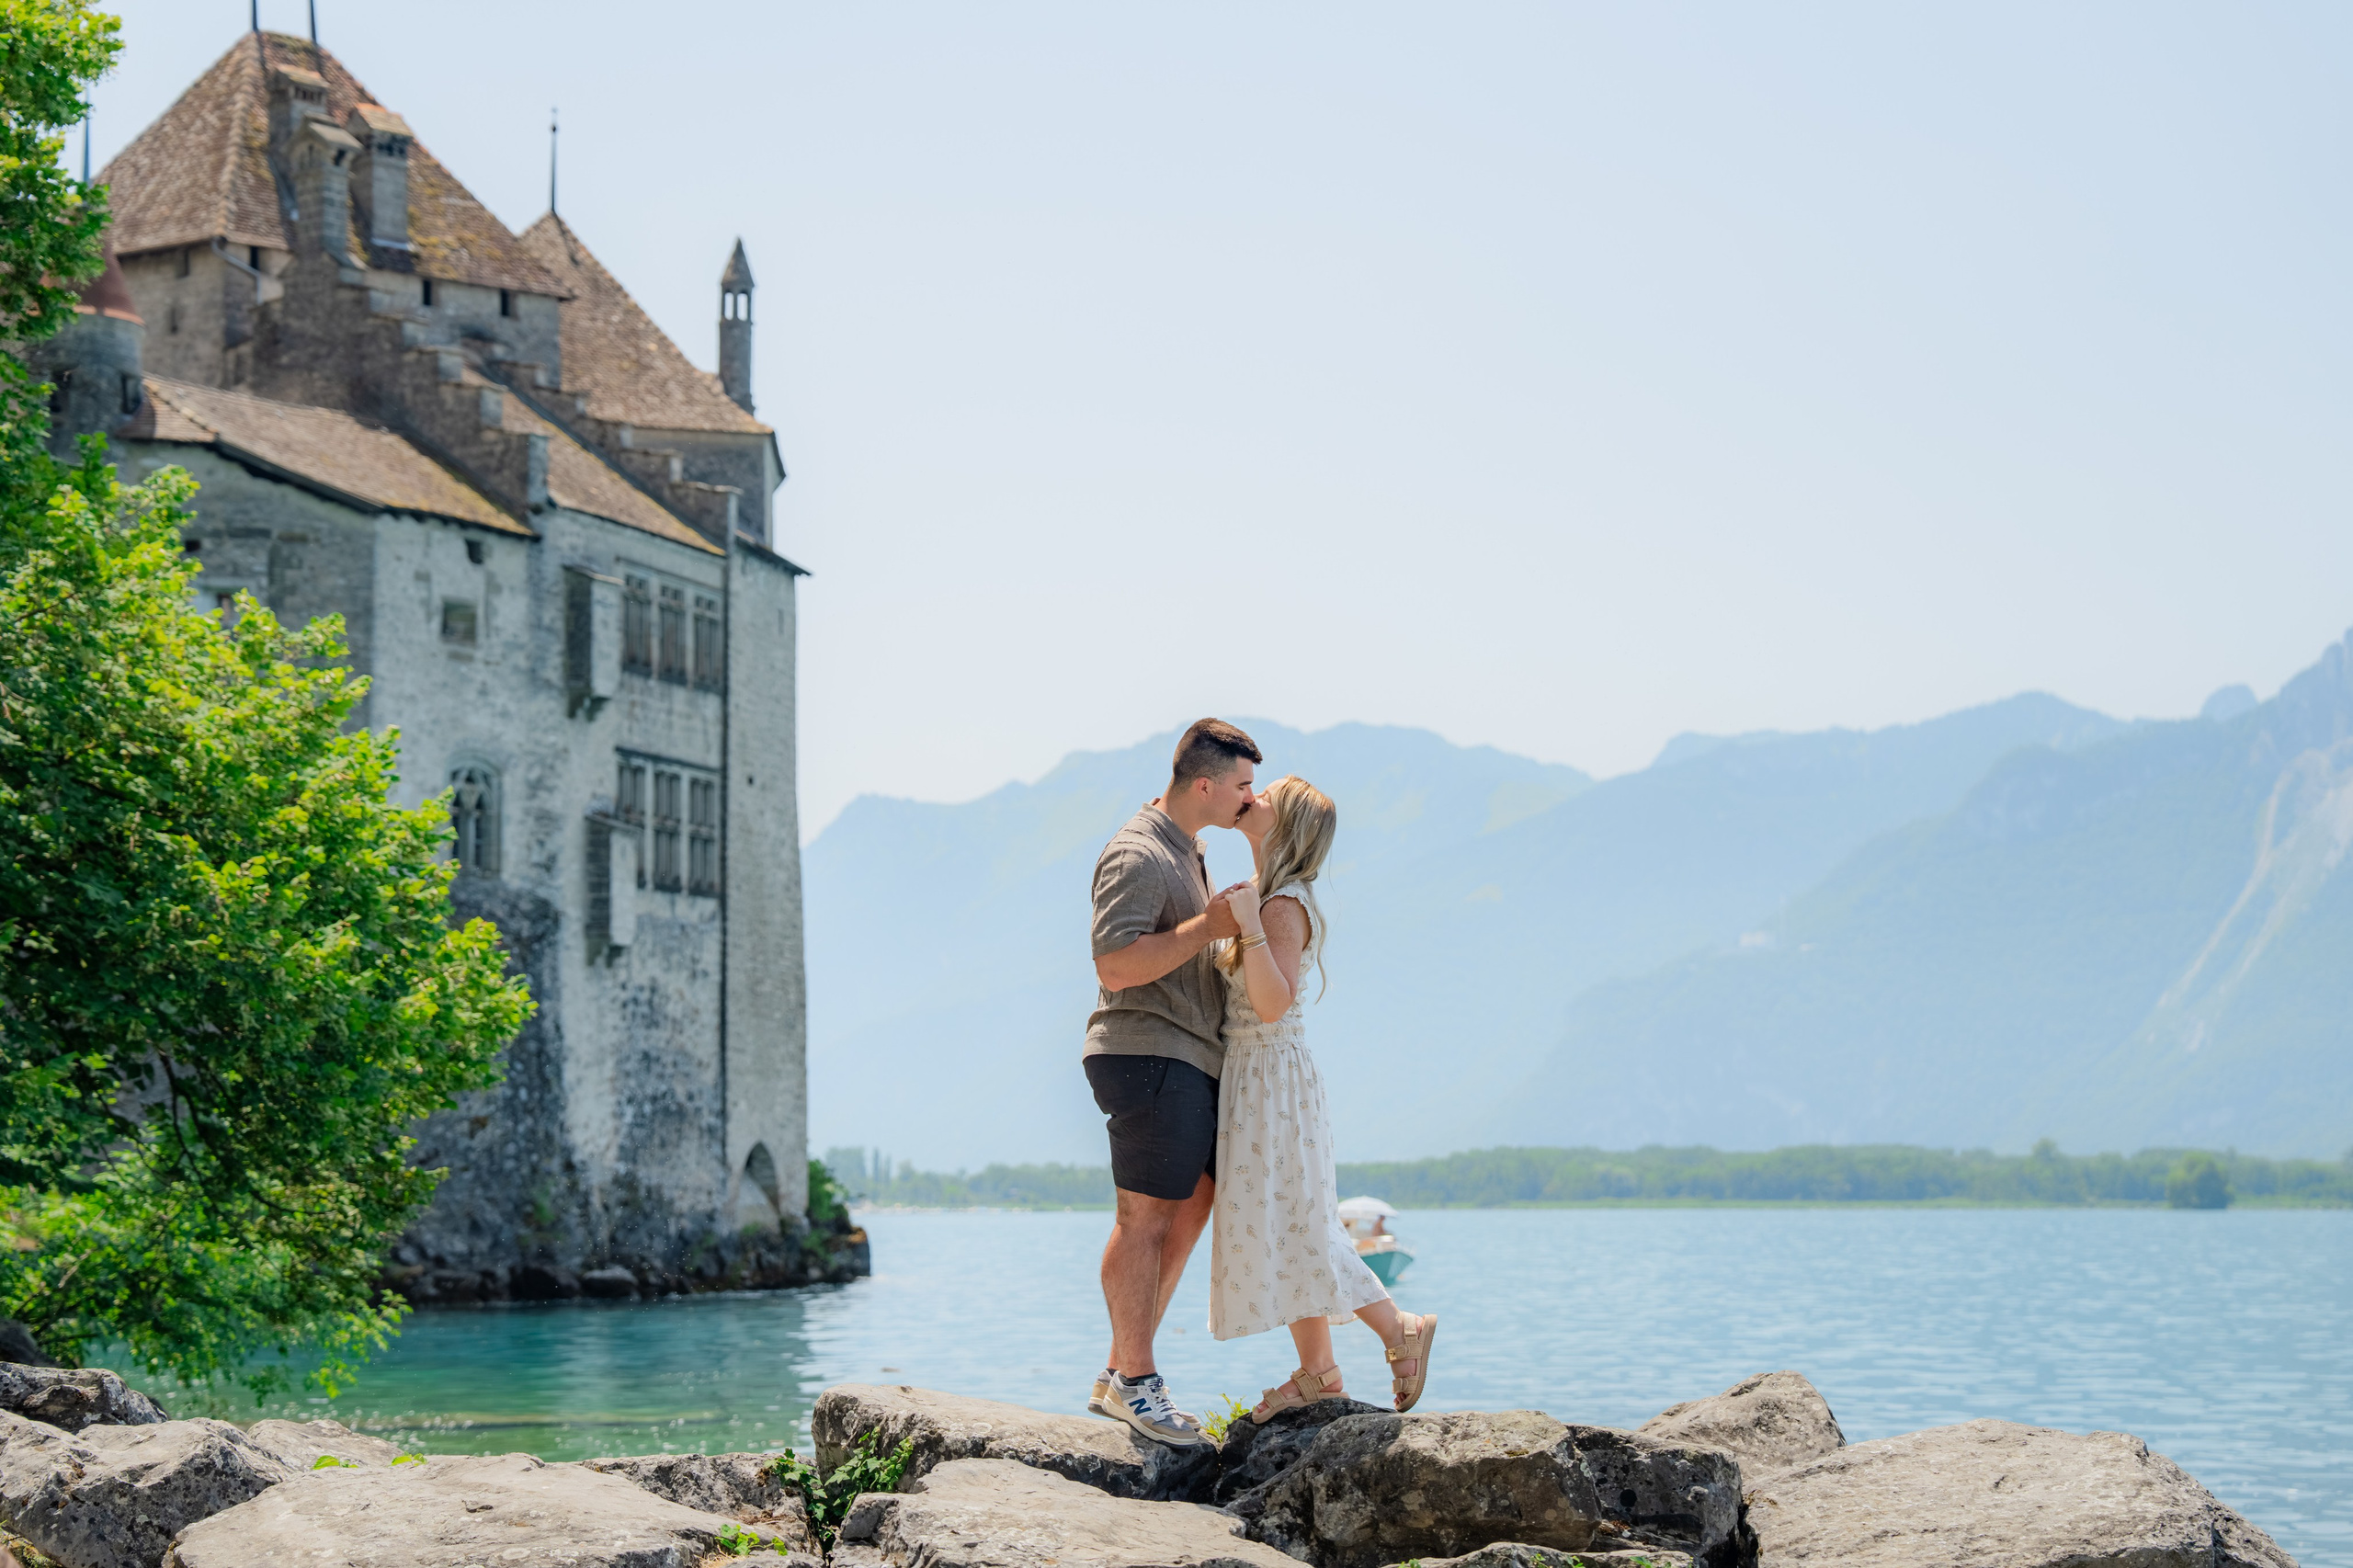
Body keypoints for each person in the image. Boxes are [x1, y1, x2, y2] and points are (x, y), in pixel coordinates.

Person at [1211, 776, 1437, 1421]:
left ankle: (1396, 1332)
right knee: (1290, 1220)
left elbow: (1274, 1003)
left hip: (1270, 1078)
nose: (1252, 797)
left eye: (1266, 795)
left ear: (1287, 827)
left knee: (1298, 1220)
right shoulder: (1273, 896)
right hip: (1260, 1077)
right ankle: (1320, 1370)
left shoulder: (1281, 907)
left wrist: (1250, 924)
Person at [1083, 718, 1261, 1446]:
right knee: (1145, 1219)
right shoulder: (1139, 852)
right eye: (1243, 786)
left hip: (1185, 1054)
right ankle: (1135, 1382)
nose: (1250, 798)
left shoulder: (1188, 847)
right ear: (1205, 785)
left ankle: (1121, 1368)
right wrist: (1209, 928)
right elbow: (1114, 964)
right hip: (1146, 1052)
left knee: (1194, 1205)